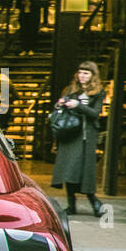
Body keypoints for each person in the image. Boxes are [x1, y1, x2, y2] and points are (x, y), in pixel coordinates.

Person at [50, 61, 105, 216]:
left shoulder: (99, 92)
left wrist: (78, 105)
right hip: (70, 134)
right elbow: (61, 110)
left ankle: (94, 202)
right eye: (80, 72)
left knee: (85, 170)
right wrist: (61, 103)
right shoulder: (70, 90)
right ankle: (71, 204)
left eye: (86, 73)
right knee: (69, 169)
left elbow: (95, 114)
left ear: (93, 75)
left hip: (86, 136)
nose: (82, 76)